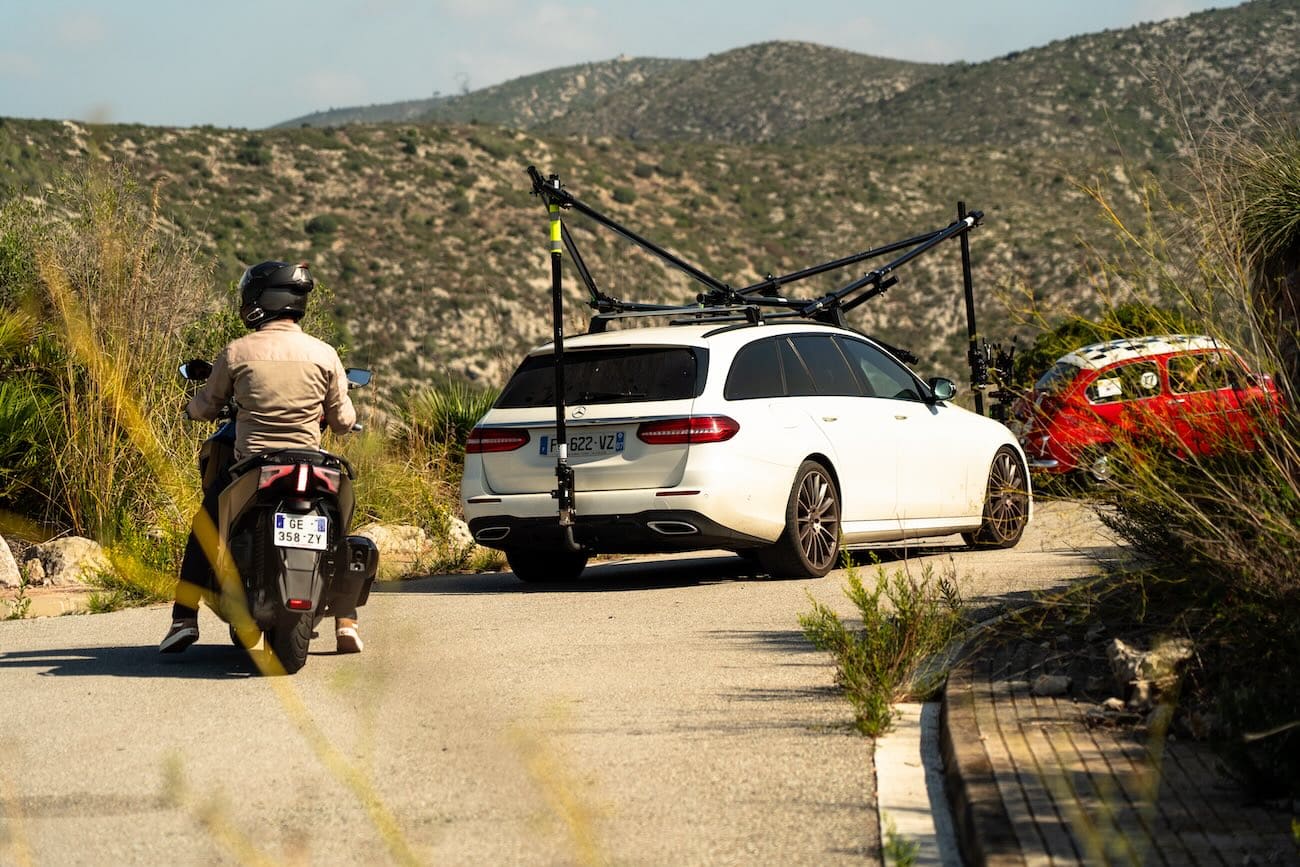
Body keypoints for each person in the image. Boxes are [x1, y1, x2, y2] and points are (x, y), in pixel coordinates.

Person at [160, 261, 363, 655]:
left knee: (204, 525)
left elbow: (205, 407)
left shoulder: (237, 351)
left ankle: (183, 619)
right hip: (312, 463)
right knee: (339, 531)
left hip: (252, 466)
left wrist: (191, 409)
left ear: (259, 301)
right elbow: (342, 420)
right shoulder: (325, 354)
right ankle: (346, 621)